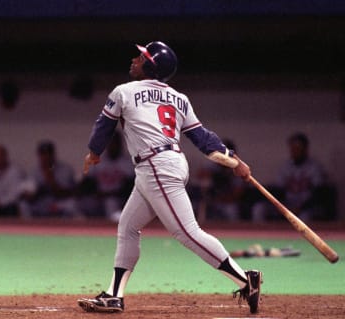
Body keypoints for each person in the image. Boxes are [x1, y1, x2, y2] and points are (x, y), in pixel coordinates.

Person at [77, 41, 262, 314]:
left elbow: (103, 126)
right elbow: (204, 140)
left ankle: (245, 280)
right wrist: (234, 160)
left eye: (141, 57)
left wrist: (93, 153)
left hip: (156, 166)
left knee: (187, 233)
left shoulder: (124, 91)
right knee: (128, 227)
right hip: (163, 165)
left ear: (151, 65)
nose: (134, 59)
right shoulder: (180, 97)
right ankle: (114, 295)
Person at [251, 132, 333, 222]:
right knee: (259, 208)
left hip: (306, 206)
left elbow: (318, 193)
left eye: (298, 148)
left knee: (305, 217)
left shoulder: (314, 167)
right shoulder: (286, 167)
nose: (295, 151)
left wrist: (301, 208)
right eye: (293, 148)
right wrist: (283, 207)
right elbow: (279, 190)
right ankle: (264, 235)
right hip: (287, 204)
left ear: (305, 149)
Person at [79, 131, 134, 222]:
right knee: (82, 203)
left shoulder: (127, 162)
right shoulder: (97, 160)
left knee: (111, 203)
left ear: (120, 144)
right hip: (99, 197)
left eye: (114, 142)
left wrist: (111, 193)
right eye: (110, 142)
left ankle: (111, 229)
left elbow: (130, 187)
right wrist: (96, 193)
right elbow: (86, 182)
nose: (112, 145)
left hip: (118, 199)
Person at [19, 141, 79, 219]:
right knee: (23, 205)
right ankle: (31, 229)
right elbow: (29, 195)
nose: (46, 157)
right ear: (39, 155)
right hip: (41, 203)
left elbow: (66, 193)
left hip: (58, 203)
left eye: (48, 153)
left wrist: (50, 179)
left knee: (72, 205)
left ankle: (66, 229)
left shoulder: (65, 169)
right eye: (43, 154)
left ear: (53, 154)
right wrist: (30, 194)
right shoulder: (34, 171)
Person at [195, 139, 247, 221]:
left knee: (231, 209)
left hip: (228, 202)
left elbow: (238, 193)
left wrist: (221, 199)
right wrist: (211, 174)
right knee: (201, 207)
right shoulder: (214, 166)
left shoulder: (237, 168)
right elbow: (199, 176)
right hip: (212, 200)